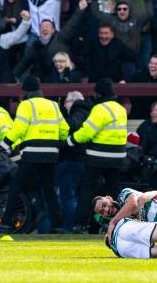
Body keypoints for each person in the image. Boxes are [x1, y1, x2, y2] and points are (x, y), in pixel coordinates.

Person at [2, 76, 70, 232]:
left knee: (16, 186)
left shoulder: (26, 105)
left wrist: (4, 145)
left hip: (31, 154)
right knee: (50, 191)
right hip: (51, 155)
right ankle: (58, 225)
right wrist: (56, 141)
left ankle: (5, 222)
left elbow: (19, 128)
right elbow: (64, 129)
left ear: (27, 91)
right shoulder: (53, 105)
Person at [69, 78, 127, 230]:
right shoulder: (120, 109)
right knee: (115, 191)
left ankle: (80, 224)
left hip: (98, 156)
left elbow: (87, 132)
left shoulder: (100, 109)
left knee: (88, 190)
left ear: (99, 93)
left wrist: (70, 140)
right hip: (117, 157)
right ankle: (124, 220)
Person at [89, 0, 153, 69]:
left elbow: (149, 14)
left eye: (124, 9)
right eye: (119, 9)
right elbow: (97, 14)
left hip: (131, 59)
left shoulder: (137, 21)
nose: (121, 11)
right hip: (115, 59)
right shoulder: (112, 20)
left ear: (129, 10)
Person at [57, 91, 90, 232]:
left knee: (68, 197)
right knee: (76, 196)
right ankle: (75, 225)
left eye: (66, 103)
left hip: (72, 160)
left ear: (72, 102)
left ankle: (71, 227)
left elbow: (73, 126)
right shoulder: (89, 113)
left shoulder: (77, 113)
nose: (64, 106)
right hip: (84, 161)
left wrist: (64, 143)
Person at [129, 54, 157, 119]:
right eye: (151, 63)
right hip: (138, 113)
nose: (152, 66)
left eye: (156, 64)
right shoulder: (139, 76)